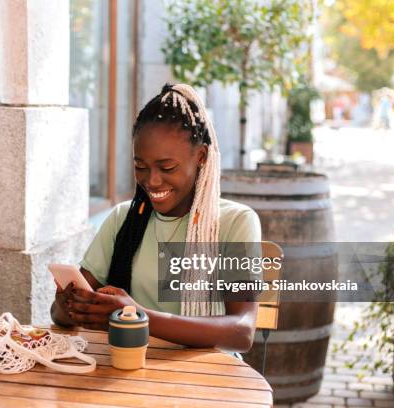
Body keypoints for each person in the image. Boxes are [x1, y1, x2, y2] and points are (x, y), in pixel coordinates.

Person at [50, 84, 261, 352]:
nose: (152, 180)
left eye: (167, 167)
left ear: (201, 157)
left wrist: (140, 316)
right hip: (132, 370)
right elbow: (58, 316)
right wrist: (69, 305)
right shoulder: (123, 220)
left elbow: (242, 332)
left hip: (209, 377)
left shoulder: (235, 222)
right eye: (141, 167)